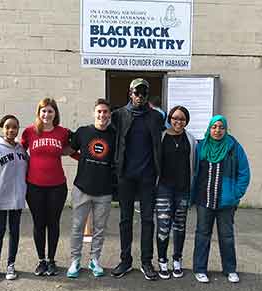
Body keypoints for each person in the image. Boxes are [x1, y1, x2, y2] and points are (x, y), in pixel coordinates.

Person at [110, 78, 165, 280]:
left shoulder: (156, 117)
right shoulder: (119, 115)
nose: (139, 96)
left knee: (148, 220)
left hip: (148, 177)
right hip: (125, 176)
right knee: (125, 219)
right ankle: (125, 260)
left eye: (143, 93)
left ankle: (146, 261)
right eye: (136, 92)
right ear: (130, 93)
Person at [191, 115, 250, 284]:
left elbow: (244, 172)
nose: (217, 130)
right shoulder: (201, 147)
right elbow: (193, 171)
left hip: (226, 202)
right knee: (202, 235)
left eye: (221, 127)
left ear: (226, 129)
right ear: (210, 129)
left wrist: (235, 194)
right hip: (204, 200)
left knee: (227, 236)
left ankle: (230, 269)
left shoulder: (233, 147)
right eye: (214, 127)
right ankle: (200, 269)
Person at [21, 98, 73, 276]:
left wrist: (92, 161)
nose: (47, 114)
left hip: (57, 186)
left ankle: (52, 260)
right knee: (39, 223)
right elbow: (19, 152)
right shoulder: (29, 132)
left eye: (50, 111)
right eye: (43, 111)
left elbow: (74, 151)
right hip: (34, 186)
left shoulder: (63, 132)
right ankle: (41, 260)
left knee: (53, 223)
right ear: (39, 113)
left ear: (55, 113)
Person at [66, 98, 115, 278]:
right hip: (82, 188)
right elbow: (70, 150)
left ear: (110, 115)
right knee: (77, 227)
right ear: (94, 113)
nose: (102, 115)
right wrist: (83, 159)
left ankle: (95, 260)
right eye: (99, 111)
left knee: (100, 229)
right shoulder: (83, 132)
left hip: (104, 191)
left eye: (105, 112)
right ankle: (75, 260)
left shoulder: (114, 135)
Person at [0, 115, 28, 283]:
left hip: (16, 201)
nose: (11, 130)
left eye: (15, 127)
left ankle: (11, 264)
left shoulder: (22, 150)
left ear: (18, 129)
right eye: (8, 127)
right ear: (2, 128)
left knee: (14, 233)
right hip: (0, 201)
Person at [155, 106, 196, 279]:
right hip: (164, 188)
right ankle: (162, 260)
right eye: (175, 118)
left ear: (186, 121)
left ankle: (177, 260)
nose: (178, 121)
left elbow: (194, 164)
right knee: (163, 227)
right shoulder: (161, 137)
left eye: (182, 119)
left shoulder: (191, 139)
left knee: (179, 227)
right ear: (170, 118)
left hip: (183, 189)